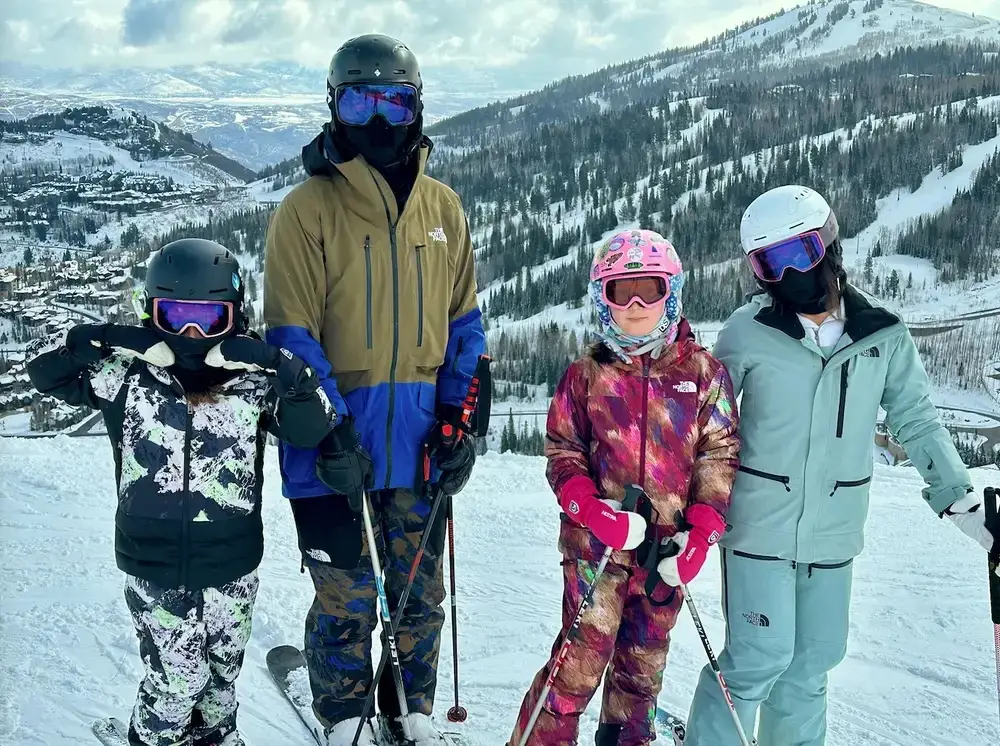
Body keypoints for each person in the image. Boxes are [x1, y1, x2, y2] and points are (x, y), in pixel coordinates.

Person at [684, 185, 997, 746]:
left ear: (828, 245)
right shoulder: (748, 333)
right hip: (759, 526)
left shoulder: (880, 335)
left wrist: (960, 498)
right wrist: (675, 506)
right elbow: (705, 425)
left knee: (812, 662)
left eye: (796, 254)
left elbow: (916, 419)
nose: (786, 275)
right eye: (768, 263)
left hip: (834, 530)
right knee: (759, 656)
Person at [262, 33, 486, 746]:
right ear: (335, 107)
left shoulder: (443, 210)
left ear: (418, 107)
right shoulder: (306, 211)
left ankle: (412, 709)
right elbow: (291, 340)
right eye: (361, 100)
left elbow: (466, 328)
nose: (379, 120)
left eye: (395, 100)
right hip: (332, 450)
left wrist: (461, 422)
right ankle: (342, 712)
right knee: (347, 596)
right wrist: (329, 432)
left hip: (419, 445)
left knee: (421, 595)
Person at [25, 238, 337, 746]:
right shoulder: (126, 376)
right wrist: (101, 337)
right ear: (150, 313)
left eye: (210, 319)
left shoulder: (252, 381)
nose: (193, 334)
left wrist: (286, 371)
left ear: (234, 318)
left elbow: (312, 427)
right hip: (154, 561)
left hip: (233, 562)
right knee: (176, 684)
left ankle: (217, 737)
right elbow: (43, 374)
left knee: (220, 677)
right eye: (175, 316)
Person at [507, 229, 741, 746]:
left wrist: (700, 535)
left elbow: (720, 455)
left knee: (641, 674)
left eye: (649, 289)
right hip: (598, 549)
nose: (635, 305)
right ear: (601, 298)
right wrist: (592, 511)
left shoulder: (703, 374)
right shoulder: (587, 374)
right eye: (620, 291)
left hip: (664, 555)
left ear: (671, 292)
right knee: (578, 667)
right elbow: (562, 453)